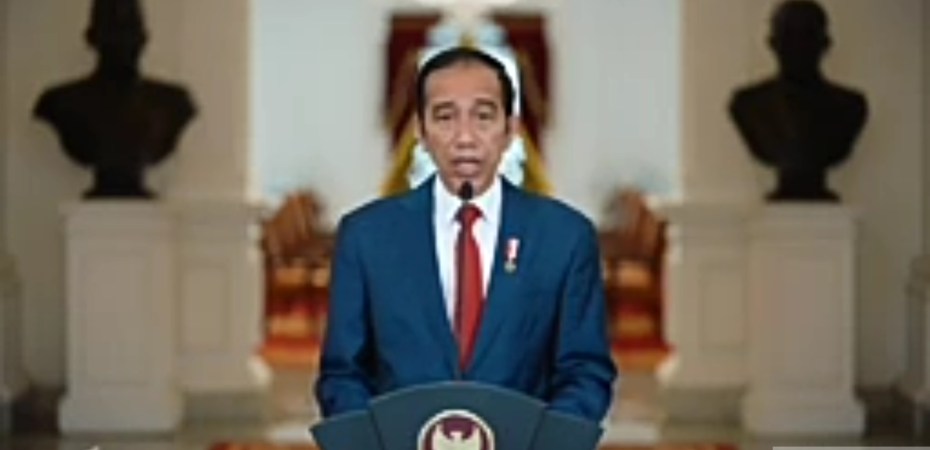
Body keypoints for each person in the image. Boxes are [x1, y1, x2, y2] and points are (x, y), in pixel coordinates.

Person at [315, 47, 617, 423]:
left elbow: (585, 372)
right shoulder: (366, 236)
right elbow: (342, 375)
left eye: (483, 116)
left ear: (511, 130)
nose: (465, 137)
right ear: (420, 132)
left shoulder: (565, 237)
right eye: (445, 117)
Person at [33, 0, 196, 199]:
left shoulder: (173, 103)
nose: (122, 42)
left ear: (144, 38)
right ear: (92, 38)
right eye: (112, 33)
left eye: (129, 31)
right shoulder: (62, 102)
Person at [729, 0, 867, 202]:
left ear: (825, 44)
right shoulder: (748, 105)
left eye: (807, 36)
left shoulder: (850, 106)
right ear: (772, 43)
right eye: (789, 37)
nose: (798, 47)